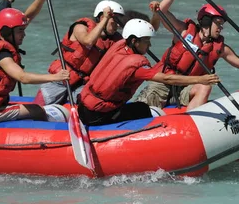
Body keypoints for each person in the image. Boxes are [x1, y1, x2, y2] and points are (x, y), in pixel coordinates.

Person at [77, 18, 219, 126]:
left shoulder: (119, 46)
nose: (149, 45)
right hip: (98, 115)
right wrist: (200, 80)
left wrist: (155, 14)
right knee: (142, 110)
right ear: (134, 41)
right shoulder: (136, 67)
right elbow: (167, 79)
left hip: (83, 106)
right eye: (146, 41)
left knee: (138, 107)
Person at [0, 8, 70, 124]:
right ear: (8, 32)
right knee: (37, 110)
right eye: (20, 31)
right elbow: (22, 77)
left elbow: (26, 17)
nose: (24, 34)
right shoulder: (2, 55)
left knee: (31, 108)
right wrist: (55, 77)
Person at [34, 0, 126, 106]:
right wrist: (106, 18)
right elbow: (88, 41)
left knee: (86, 108)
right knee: (37, 108)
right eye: (114, 21)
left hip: (82, 84)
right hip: (60, 79)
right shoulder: (81, 27)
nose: (117, 25)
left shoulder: (114, 40)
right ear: (102, 18)